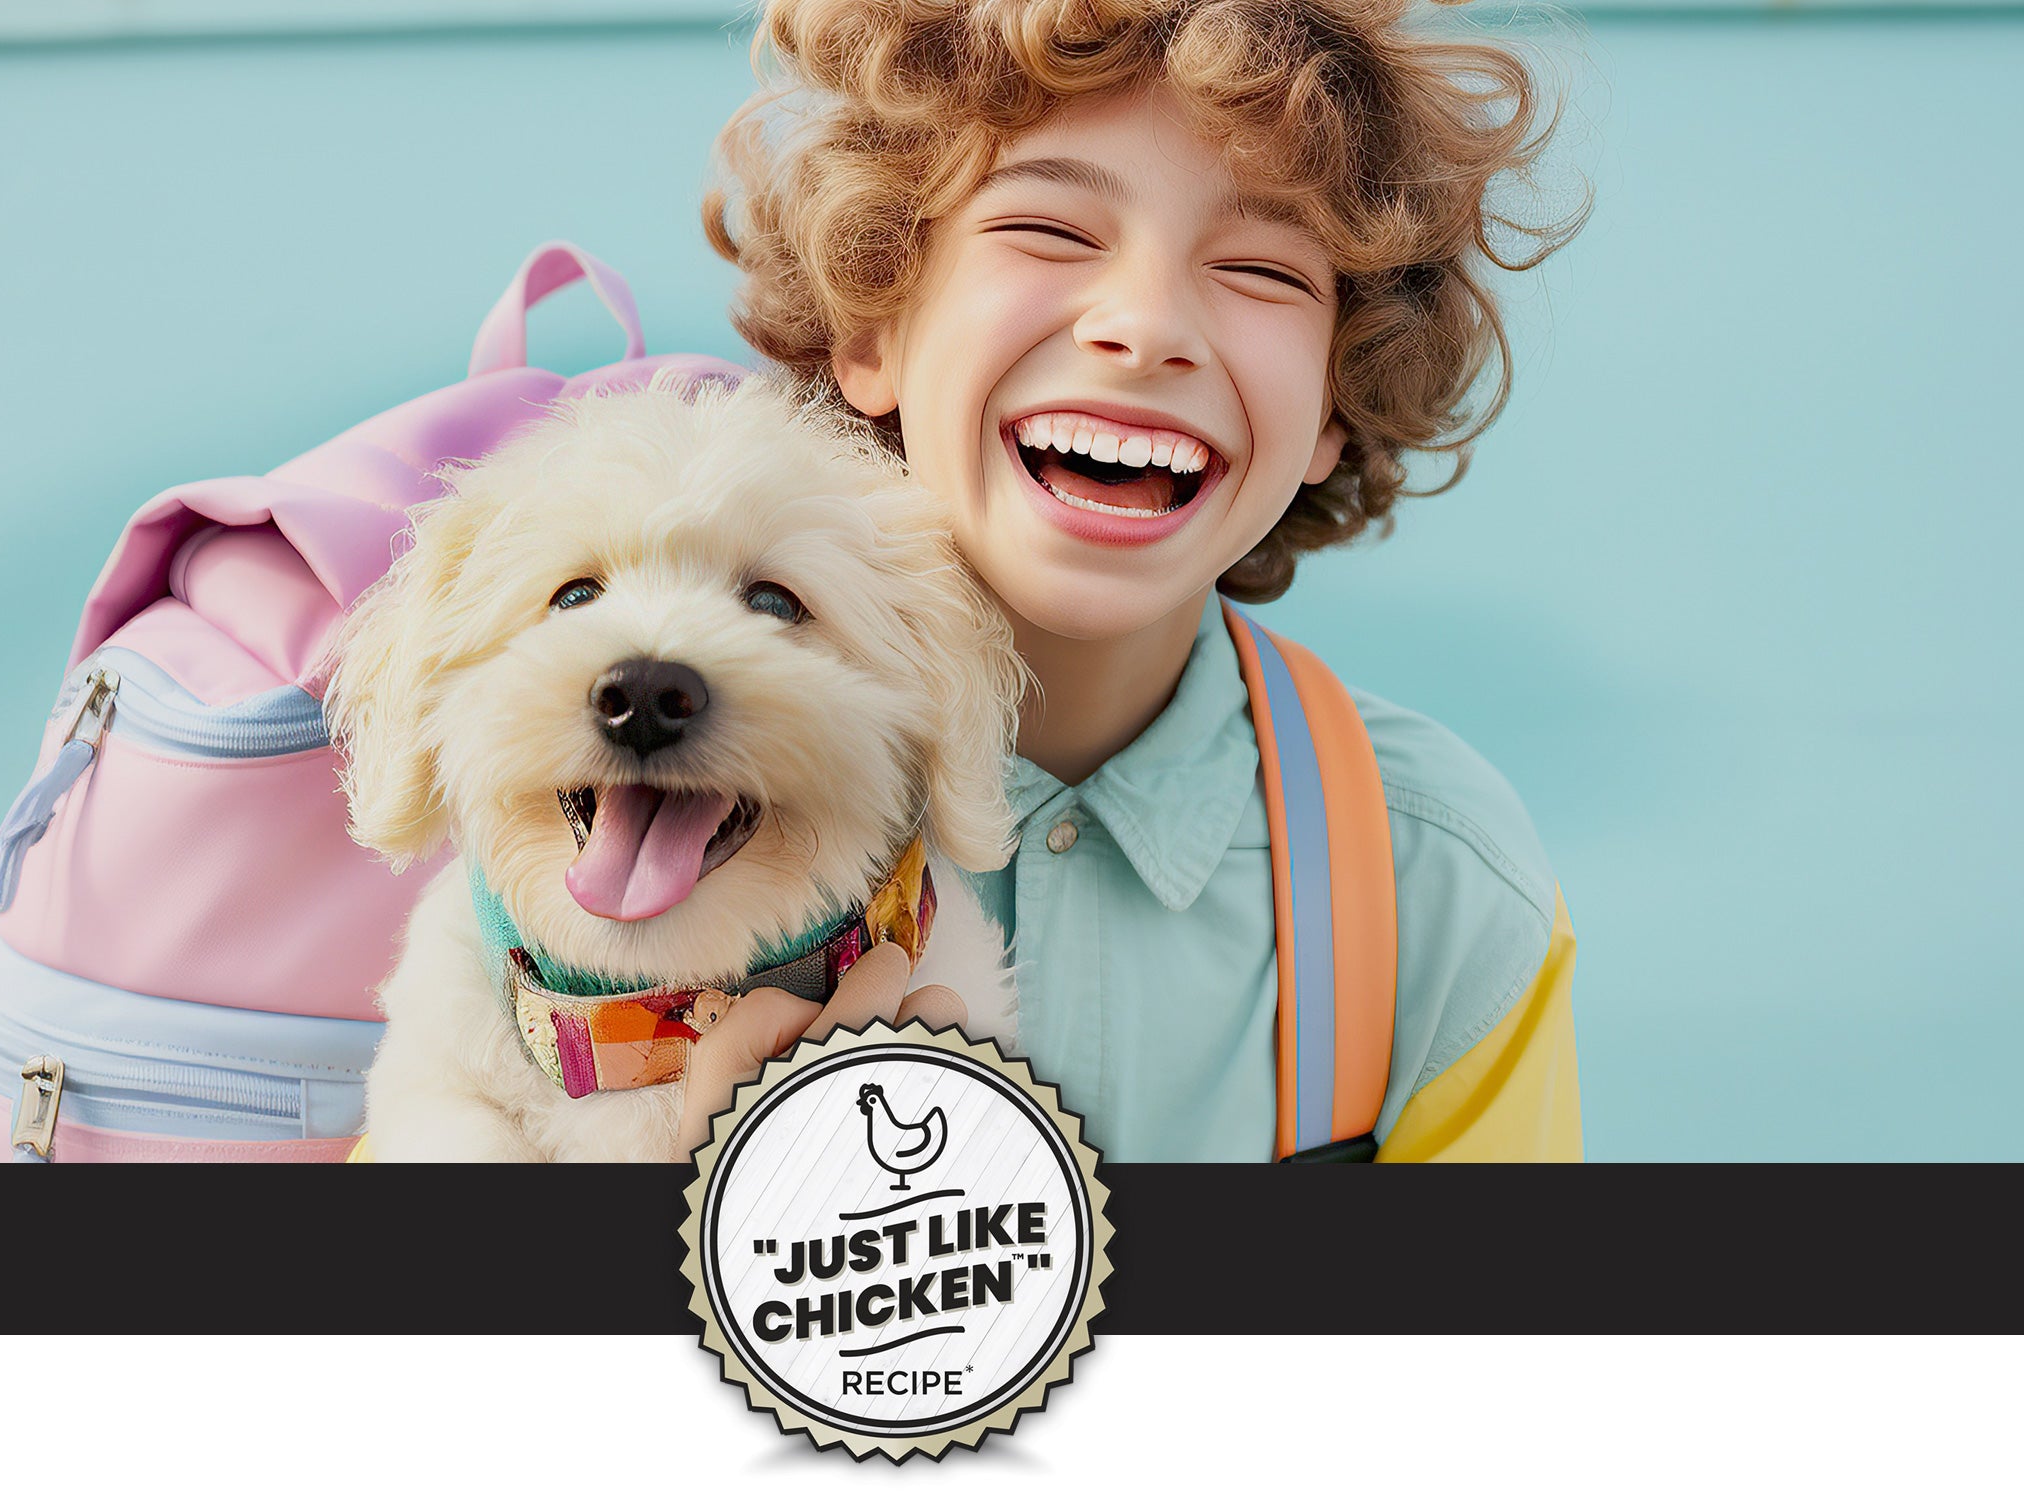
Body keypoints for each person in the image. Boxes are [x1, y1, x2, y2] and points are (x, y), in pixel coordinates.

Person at [676, 0, 1588, 1161]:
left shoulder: (1441, 882)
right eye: (1052, 231)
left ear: (1332, 405)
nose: (1147, 327)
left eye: (1263, 268)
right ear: (874, 330)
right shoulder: (652, 789)